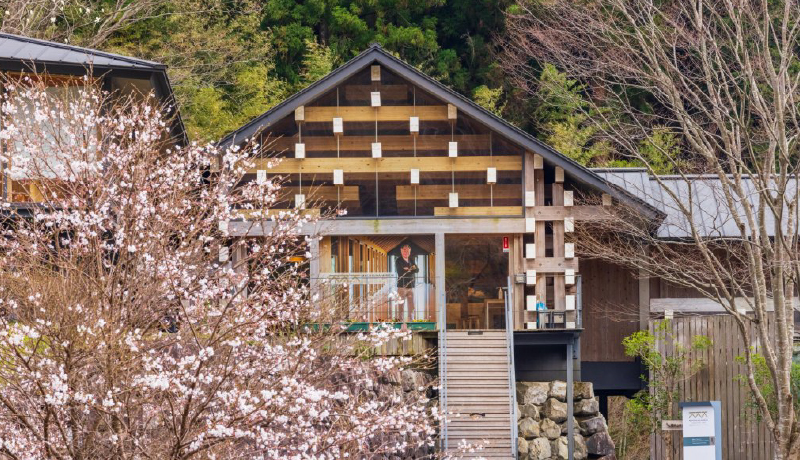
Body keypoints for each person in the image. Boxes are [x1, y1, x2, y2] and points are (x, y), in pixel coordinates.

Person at [395, 244, 418, 321]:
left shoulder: (411, 260)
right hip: (402, 286)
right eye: (404, 250)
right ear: (401, 251)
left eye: (407, 250)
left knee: (411, 306)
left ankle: (411, 321)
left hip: (411, 286)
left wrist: (407, 269)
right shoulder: (398, 261)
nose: (406, 252)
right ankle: (400, 321)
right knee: (401, 305)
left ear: (410, 251)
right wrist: (411, 269)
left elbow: (417, 270)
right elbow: (400, 273)